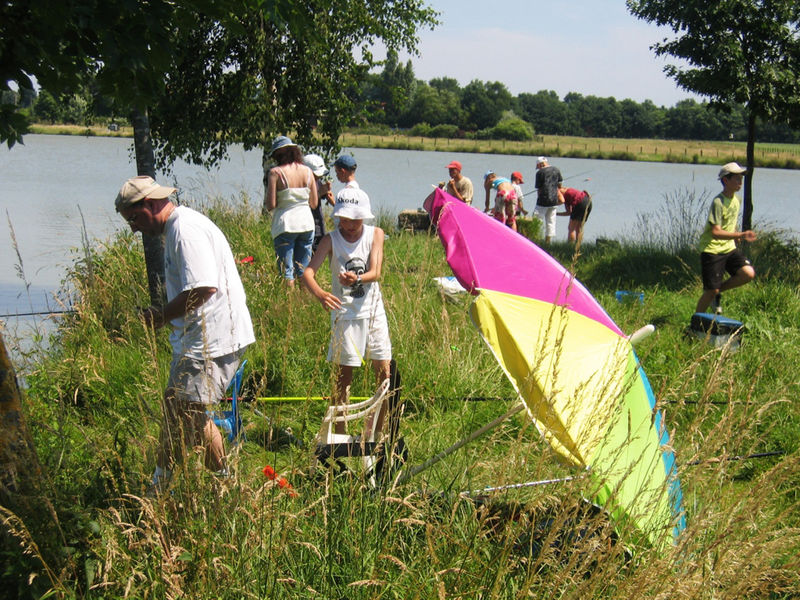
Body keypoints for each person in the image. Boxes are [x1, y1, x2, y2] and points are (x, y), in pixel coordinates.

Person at [115, 175, 255, 494]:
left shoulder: (184, 229)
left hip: (209, 341)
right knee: (177, 412)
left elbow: (204, 287)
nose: (134, 228)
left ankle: (219, 487)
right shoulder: (179, 226)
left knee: (188, 416)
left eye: (134, 218)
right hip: (201, 340)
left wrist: (162, 316)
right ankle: (163, 485)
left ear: (150, 204)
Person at [302, 159, 392, 439]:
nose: (351, 225)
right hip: (346, 314)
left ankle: (375, 431)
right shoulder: (330, 240)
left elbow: (376, 272)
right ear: (338, 216)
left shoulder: (375, 234)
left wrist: (357, 279)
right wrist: (320, 294)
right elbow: (308, 272)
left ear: (364, 217)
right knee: (344, 379)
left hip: (373, 309)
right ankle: (340, 435)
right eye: (345, 219)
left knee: (384, 372)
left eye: (356, 219)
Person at [695, 162, 757, 314]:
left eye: (741, 178)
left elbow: (729, 222)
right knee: (710, 291)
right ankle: (694, 324)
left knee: (748, 273)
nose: (740, 182)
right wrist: (740, 234)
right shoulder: (718, 202)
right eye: (736, 179)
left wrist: (735, 234)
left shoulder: (736, 200)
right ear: (725, 181)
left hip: (729, 248)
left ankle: (716, 291)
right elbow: (716, 232)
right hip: (712, 250)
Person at [263, 135, 319, 288]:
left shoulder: (275, 173)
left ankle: (289, 303)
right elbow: (314, 203)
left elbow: (271, 205)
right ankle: (304, 302)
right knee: (303, 269)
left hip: (286, 224)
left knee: (286, 270)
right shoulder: (308, 172)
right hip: (307, 224)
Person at [303, 153, 335, 251]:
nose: (318, 177)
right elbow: (304, 203)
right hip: (306, 226)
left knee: (317, 253)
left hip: (318, 225)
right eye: (316, 175)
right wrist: (319, 193)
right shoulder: (301, 183)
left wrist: (327, 194)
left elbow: (322, 196)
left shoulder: (317, 181)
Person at [534, 157, 563, 244]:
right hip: (554, 200)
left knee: (537, 220)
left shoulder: (540, 173)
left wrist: (539, 199)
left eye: (538, 166)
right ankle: (548, 241)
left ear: (541, 164)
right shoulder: (556, 170)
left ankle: (535, 239)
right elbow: (560, 185)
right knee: (551, 221)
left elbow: (539, 189)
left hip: (543, 200)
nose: (538, 168)